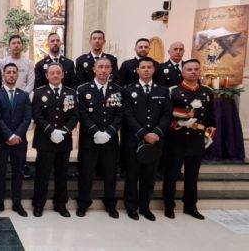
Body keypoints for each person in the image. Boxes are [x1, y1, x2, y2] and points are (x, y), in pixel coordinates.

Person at [162, 59, 216, 220]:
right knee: (171, 174)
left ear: (200, 71)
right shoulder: (173, 91)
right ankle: (169, 206)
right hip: (176, 138)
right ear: (182, 72)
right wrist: (178, 123)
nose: (193, 72)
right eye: (189, 69)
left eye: (196, 69)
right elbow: (166, 116)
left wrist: (208, 136)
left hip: (196, 139)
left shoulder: (207, 92)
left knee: (192, 176)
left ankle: (190, 206)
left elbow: (211, 118)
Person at [121, 57, 172, 221]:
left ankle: (145, 207)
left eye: (149, 67)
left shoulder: (163, 91)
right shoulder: (128, 90)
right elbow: (127, 115)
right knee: (132, 176)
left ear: (154, 70)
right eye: (142, 67)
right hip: (134, 140)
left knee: (149, 177)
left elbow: (167, 115)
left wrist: (156, 132)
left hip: (155, 141)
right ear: (137, 70)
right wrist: (144, 133)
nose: (146, 70)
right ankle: (131, 207)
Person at [76, 58, 123, 218]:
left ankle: (110, 204)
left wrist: (109, 132)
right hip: (89, 140)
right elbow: (82, 114)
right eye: (100, 67)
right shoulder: (83, 89)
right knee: (86, 173)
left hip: (110, 140)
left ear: (111, 70)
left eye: (107, 67)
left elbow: (119, 114)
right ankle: (83, 203)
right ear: (94, 69)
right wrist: (96, 132)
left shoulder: (117, 90)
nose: (103, 70)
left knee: (110, 174)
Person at [31, 63, 78, 217]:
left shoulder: (71, 93)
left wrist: (64, 131)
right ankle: (39, 204)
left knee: (62, 175)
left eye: (58, 72)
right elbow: (36, 115)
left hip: (64, 140)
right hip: (45, 140)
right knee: (42, 175)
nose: (55, 75)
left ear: (63, 75)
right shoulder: (39, 93)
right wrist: (51, 131)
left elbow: (75, 115)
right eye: (52, 73)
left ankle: (60, 204)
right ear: (47, 76)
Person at [0, 63, 31, 217]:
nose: (11, 75)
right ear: (4, 75)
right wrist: (9, 136)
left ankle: (17, 203)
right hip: (2, 141)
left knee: (18, 173)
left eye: (14, 72)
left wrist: (17, 136)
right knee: (0, 172)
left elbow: (27, 118)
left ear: (17, 75)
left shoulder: (24, 95)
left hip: (20, 142)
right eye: (8, 72)